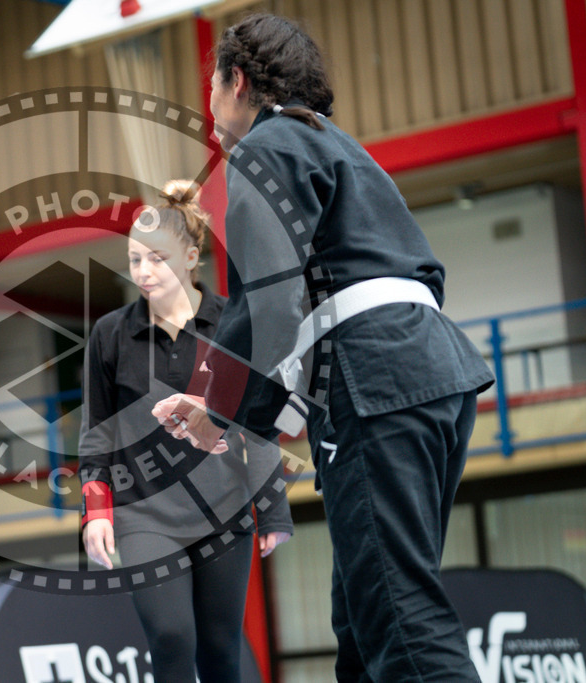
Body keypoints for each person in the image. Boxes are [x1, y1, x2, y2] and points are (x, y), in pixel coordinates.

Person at [152, 14, 494, 683]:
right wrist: (228, 403)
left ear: (237, 80)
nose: (210, 108)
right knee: (362, 620)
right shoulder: (342, 147)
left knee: (396, 612)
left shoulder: (263, 148)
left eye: (211, 85)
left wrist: (222, 410)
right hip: (435, 367)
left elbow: (269, 301)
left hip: (373, 377)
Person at [79, 180, 293, 683]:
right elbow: (96, 433)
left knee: (220, 650)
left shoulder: (233, 325)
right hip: (144, 514)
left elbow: (258, 421)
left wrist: (272, 509)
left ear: (192, 257)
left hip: (224, 512)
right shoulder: (110, 334)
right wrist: (96, 511)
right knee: (172, 635)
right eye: (135, 260)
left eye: (157, 259)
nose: (143, 271)